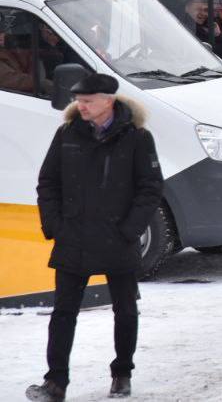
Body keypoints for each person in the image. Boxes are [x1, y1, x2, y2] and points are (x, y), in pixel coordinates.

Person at [28, 73, 163, 402]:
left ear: (109, 101)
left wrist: (129, 230)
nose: (81, 106)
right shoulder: (67, 134)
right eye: (78, 100)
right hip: (73, 237)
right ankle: (55, 383)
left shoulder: (137, 137)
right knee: (63, 313)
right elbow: (48, 183)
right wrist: (56, 226)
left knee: (126, 310)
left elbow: (151, 188)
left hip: (118, 238)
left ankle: (122, 374)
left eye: (88, 101)